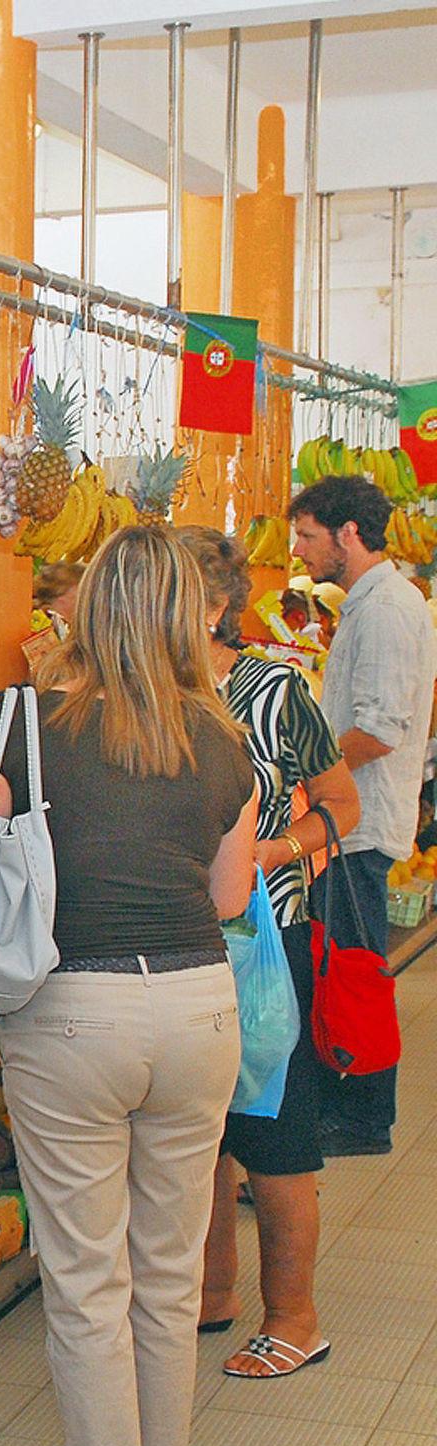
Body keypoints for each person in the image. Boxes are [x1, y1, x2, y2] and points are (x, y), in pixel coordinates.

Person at [0, 525, 257, 1446]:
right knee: (167, 1282)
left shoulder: (25, 724)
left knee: (84, 1289)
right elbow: (232, 892)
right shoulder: (221, 737)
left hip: (72, 1016)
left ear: (83, 608)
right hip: (198, 1010)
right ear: (183, 613)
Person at [179, 527, 360, 1382]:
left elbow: (340, 804)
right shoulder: (148, 693)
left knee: (273, 1132)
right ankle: (212, 1292)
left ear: (215, 607)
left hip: (261, 940)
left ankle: (296, 1317)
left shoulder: (275, 689)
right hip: (174, 938)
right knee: (198, 1133)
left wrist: (274, 852)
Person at [289, 475, 437, 1157]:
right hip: (351, 821)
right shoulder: (374, 603)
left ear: (349, 534)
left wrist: (308, 774)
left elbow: (377, 730)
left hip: (358, 823)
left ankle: (362, 1115)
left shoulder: (383, 610)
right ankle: (351, 1102)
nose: (299, 549)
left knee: (353, 974)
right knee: (348, 966)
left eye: (308, 535)